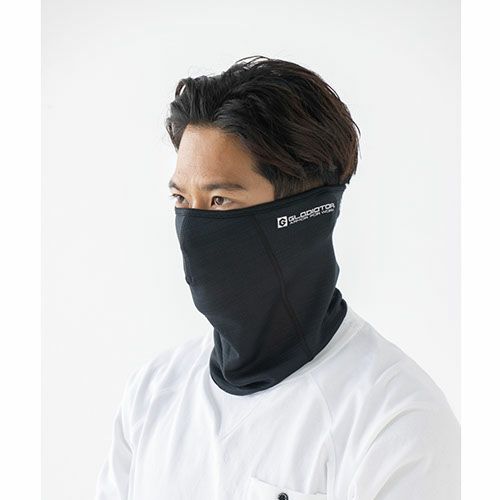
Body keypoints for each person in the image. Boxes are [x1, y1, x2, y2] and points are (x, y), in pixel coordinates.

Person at [95, 55, 460, 500]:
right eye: (180, 199)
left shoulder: (394, 419)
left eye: (220, 200)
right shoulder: (152, 395)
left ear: (303, 215)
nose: (192, 227)